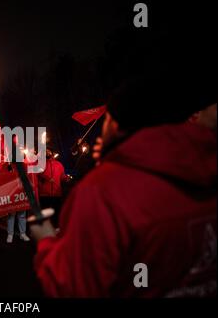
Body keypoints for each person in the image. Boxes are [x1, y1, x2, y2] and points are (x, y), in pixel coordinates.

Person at [30, 67, 217, 297]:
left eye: (107, 119)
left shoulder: (102, 192)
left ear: (116, 125)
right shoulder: (206, 168)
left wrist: (47, 242)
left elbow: (72, 287)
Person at [37, 148, 70, 228]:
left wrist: (66, 178)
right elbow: (37, 173)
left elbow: (62, 176)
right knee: (44, 212)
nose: (47, 152)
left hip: (56, 193)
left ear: (52, 152)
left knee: (56, 212)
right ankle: (44, 229)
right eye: (45, 151)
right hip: (44, 193)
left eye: (48, 151)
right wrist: (47, 177)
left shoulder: (59, 164)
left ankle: (56, 228)